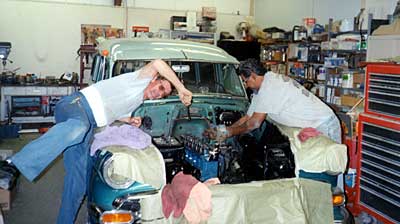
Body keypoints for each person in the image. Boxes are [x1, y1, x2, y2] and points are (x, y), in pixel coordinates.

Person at [9, 59, 192, 224]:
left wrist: (128, 120)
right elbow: (159, 63)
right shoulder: (139, 80)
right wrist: (181, 88)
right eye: (161, 87)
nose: (158, 94)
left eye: (163, 95)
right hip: (76, 105)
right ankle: (14, 164)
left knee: (78, 185)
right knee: (78, 129)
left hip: (87, 125)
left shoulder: (137, 101)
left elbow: (109, 112)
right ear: (154, 79)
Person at [205, 58, 341, 143]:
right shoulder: (261, 88)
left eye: (246, 81)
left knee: (330, 166)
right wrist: (223, 129)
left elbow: (254, 123)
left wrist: (226, 133)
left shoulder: (271, 86)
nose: (246, 86)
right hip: (310, 127)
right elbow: (248, 117)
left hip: (324, 124)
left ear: (253, 76)